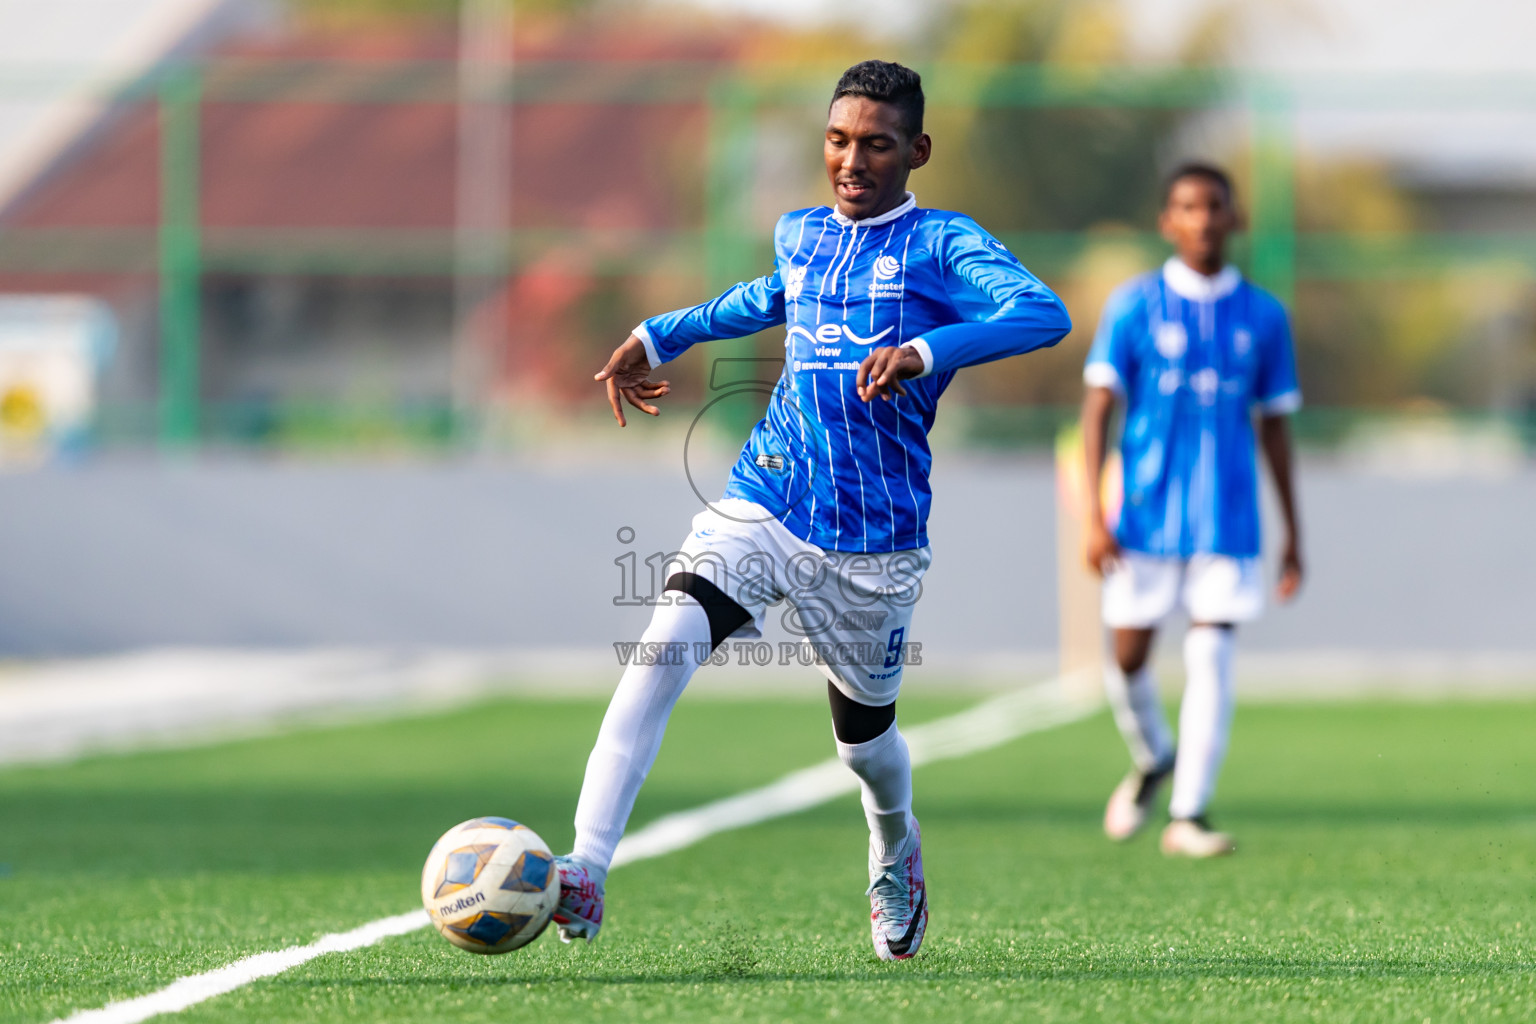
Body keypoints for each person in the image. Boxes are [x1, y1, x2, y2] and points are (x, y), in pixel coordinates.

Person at [551, 60, 1071, 960]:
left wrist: (922, 350)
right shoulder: (802, 233)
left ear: (918, 149)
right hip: (768, 496)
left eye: (875, 143)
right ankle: (586, 871)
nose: (852, 160)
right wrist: (656, 333)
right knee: (660, 648)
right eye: (838, 140)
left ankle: (894, 843)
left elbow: (1044, 313)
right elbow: (762, 300)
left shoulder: (944, 244)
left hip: (873, 541)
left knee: (865, 746)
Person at [1081, 162, 1303, 858]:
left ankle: (1189, 815)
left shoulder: (1264, 316)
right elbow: (1098, 408)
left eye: (1215, 207)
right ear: (1167, 222)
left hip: (1227, 517)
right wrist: (1094, 512)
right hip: (1142, 516)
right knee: (1128, 661)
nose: (1203, 219)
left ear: (1235, 218)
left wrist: (1293, 531)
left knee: (1211, 654)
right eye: (1187, 207)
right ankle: (1153, 759)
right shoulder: (1134, 305)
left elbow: (1273, 425)